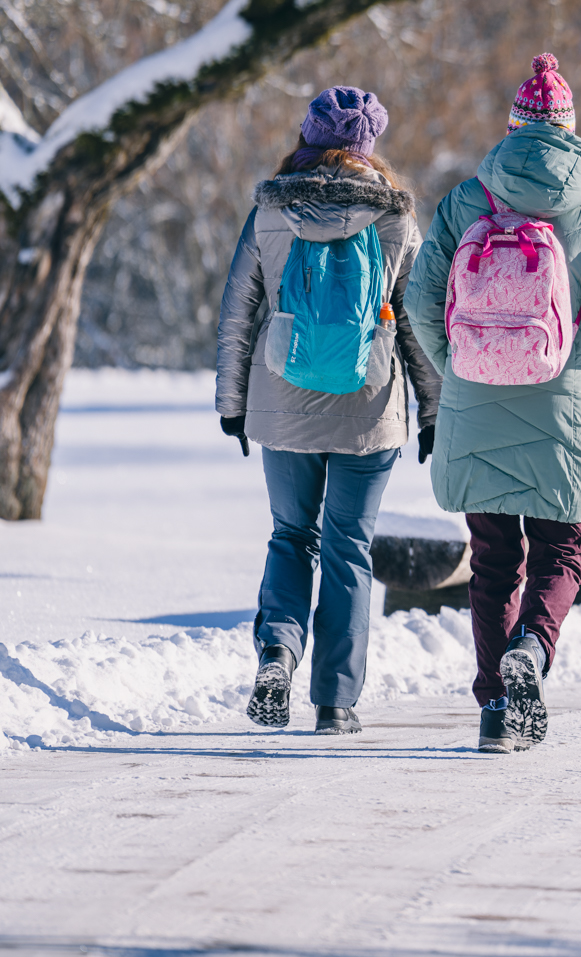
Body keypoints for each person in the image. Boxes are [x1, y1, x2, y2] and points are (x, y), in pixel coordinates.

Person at [406, 54, 581, 753]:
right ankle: (532, 648)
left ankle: (494, 708)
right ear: (569, 130)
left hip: (476, 393)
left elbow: (419, 298)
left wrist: (458, 366)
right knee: (562, 550)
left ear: (514, 126)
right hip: (561, 397)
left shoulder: (468, 199)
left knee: (494, 556)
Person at [214, 86, 440, 734]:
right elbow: (421, 323)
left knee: (291, 535)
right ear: (368, 145)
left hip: (281, 402)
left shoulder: (273, 211)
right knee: (349, 548)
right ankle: (336, 702)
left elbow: (238, 313)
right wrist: (432, 409)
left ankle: (278, 652)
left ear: (308, 136)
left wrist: (233, 403)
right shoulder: (395, 217)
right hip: (369, 409)